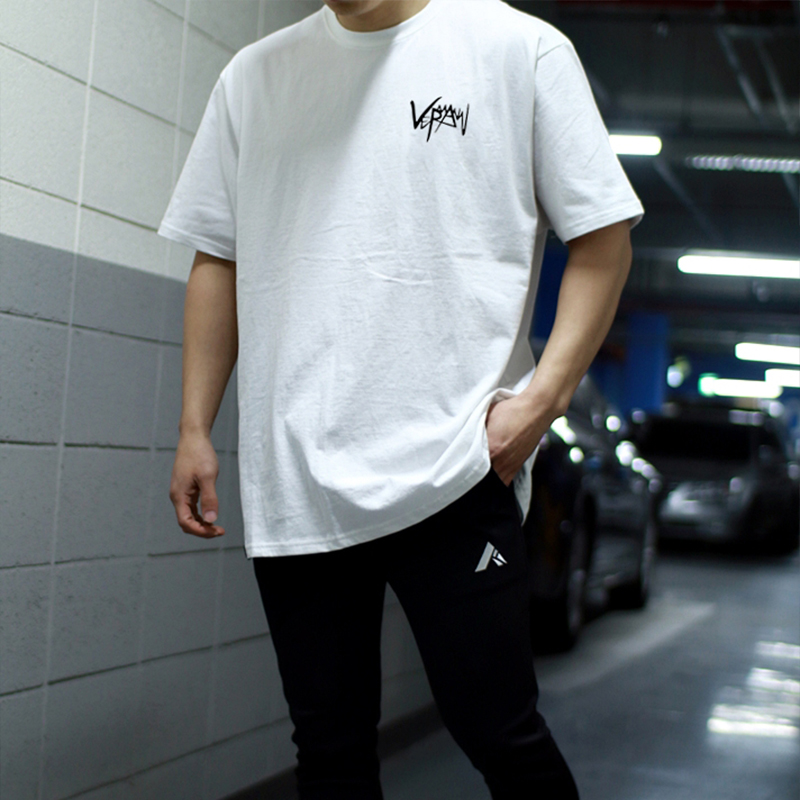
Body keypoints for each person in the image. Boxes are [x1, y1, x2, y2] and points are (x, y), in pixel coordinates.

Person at [159, 0, 643, 797]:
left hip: (457, 465)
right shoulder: (254, 77)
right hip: (298, 476)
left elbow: (604, 239)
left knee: (501, 734)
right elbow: (219, 256)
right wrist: (193, 428)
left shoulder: (518, 49)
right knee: (329, 752)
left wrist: (542, 401)